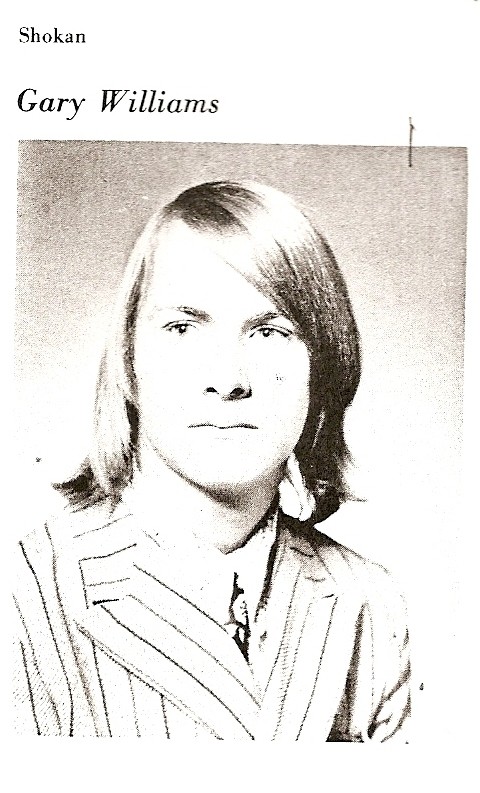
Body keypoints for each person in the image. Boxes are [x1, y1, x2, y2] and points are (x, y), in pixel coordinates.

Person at [13, 180, 411, 740]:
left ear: (322, 369)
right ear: (129, 362)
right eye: (183, 327)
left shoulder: (371, 604)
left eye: (271, 331)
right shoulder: (23, 592)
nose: (228, 379)